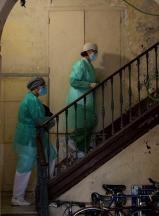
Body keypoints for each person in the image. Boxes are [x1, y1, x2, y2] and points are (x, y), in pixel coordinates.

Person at [11, 76, 56, 206]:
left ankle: (44, 188)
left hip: (34, 135)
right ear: (37, 87)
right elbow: (39, 120)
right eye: (43, 85)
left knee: (50, 155)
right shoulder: (31, 100)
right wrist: (51, 121)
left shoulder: (32, 99)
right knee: (24, 165)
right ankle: (17, 197)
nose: (44, 88)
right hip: (28, 137)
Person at [64, 43, 99, 159]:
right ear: (88, 51)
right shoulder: (80, 63)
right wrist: (89, 84)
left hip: (87, 99)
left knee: (89, 123)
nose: (96, 54)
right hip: (78, 99)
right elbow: (73, 81)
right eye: (94, 51)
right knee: (87, 124)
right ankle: (71, 138)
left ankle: (79, 152)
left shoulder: (89, 65)